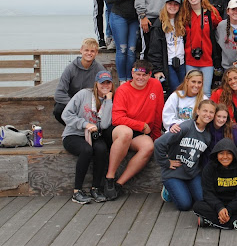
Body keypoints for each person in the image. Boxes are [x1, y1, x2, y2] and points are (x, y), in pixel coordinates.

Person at [103, 60, 163, 200]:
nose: (140, 78)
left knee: (148, 146)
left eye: (144, 75)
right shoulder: (123, 90)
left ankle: (119, 184)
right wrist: (141, 125)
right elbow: (117, 119)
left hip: (140, 132)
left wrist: (156, 138)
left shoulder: (156, 85)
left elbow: (158, 112)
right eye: (137, 74)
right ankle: (110, 177)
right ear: (132, 73)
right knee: (126, 133)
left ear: (150, 75)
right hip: (120, 129)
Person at [61, 71, 114, 204]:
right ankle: (77, 191)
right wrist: (85, 124)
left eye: (108, 82)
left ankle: (96, 188)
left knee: (101, 149)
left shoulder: (109, 100)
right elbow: (66, 115)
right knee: (86, 150)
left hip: (93, 135)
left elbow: (105, 124)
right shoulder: (83, 94)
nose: (105, 85)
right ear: (96, 84)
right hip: (74, 134)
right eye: (102, 83)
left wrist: (108, 101)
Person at [153, 99, 216, 211]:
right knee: (185, 205)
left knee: (202, 199)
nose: (208, 114)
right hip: (174, 173)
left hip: (192, 174)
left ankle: (185, 188)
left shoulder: (207, 135)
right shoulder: (185, 127)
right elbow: (159, 143)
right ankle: (168, 190)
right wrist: (166, 162)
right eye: (205, 111)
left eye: (211, 112)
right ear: (198, 111)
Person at [193, 138, 237, 229]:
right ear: (216, 155)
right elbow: (208, 193)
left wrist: (229, 210)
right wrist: (219, 208)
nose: (225, 157)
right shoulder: (209, 168)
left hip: (236, 204)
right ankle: (235, 223)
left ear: (234, 154)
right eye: (221, 153)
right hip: (217, 204)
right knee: (197, 206)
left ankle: (211, 222)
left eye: (229, 153)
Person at [181, 0, 222, 97]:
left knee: (206, 92)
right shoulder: (184, 13)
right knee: (190, 92)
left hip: (207, 59)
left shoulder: (211, 12)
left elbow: (221, 27)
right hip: (189, 59)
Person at [105, 0, 140, 83]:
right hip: (118, 16)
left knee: (132, 50)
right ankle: (122, 81)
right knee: (122, 49)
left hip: (134, 18)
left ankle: (130, 80)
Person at [54, 38, 106, 125]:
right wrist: (75, 105)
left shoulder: (100, 69)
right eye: (86, 50)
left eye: (92, 51)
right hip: (73, 102)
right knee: (58, 109)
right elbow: (59, 94)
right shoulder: (70, 68)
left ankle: (94, 128)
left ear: (96, 53)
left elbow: (106, 90)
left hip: (92, 103)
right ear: (81, 50)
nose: (89, 53)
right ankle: (73, 127)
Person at [148, 0, 186, 94]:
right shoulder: (159, 24)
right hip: (168, 64)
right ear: (165, 5)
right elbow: (154, 49)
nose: (172, 6)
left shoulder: (183, 22)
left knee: (184, 90)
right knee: (176, 92)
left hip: (182, 62)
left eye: (175, 4)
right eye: (170, 4)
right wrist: (157, 70)